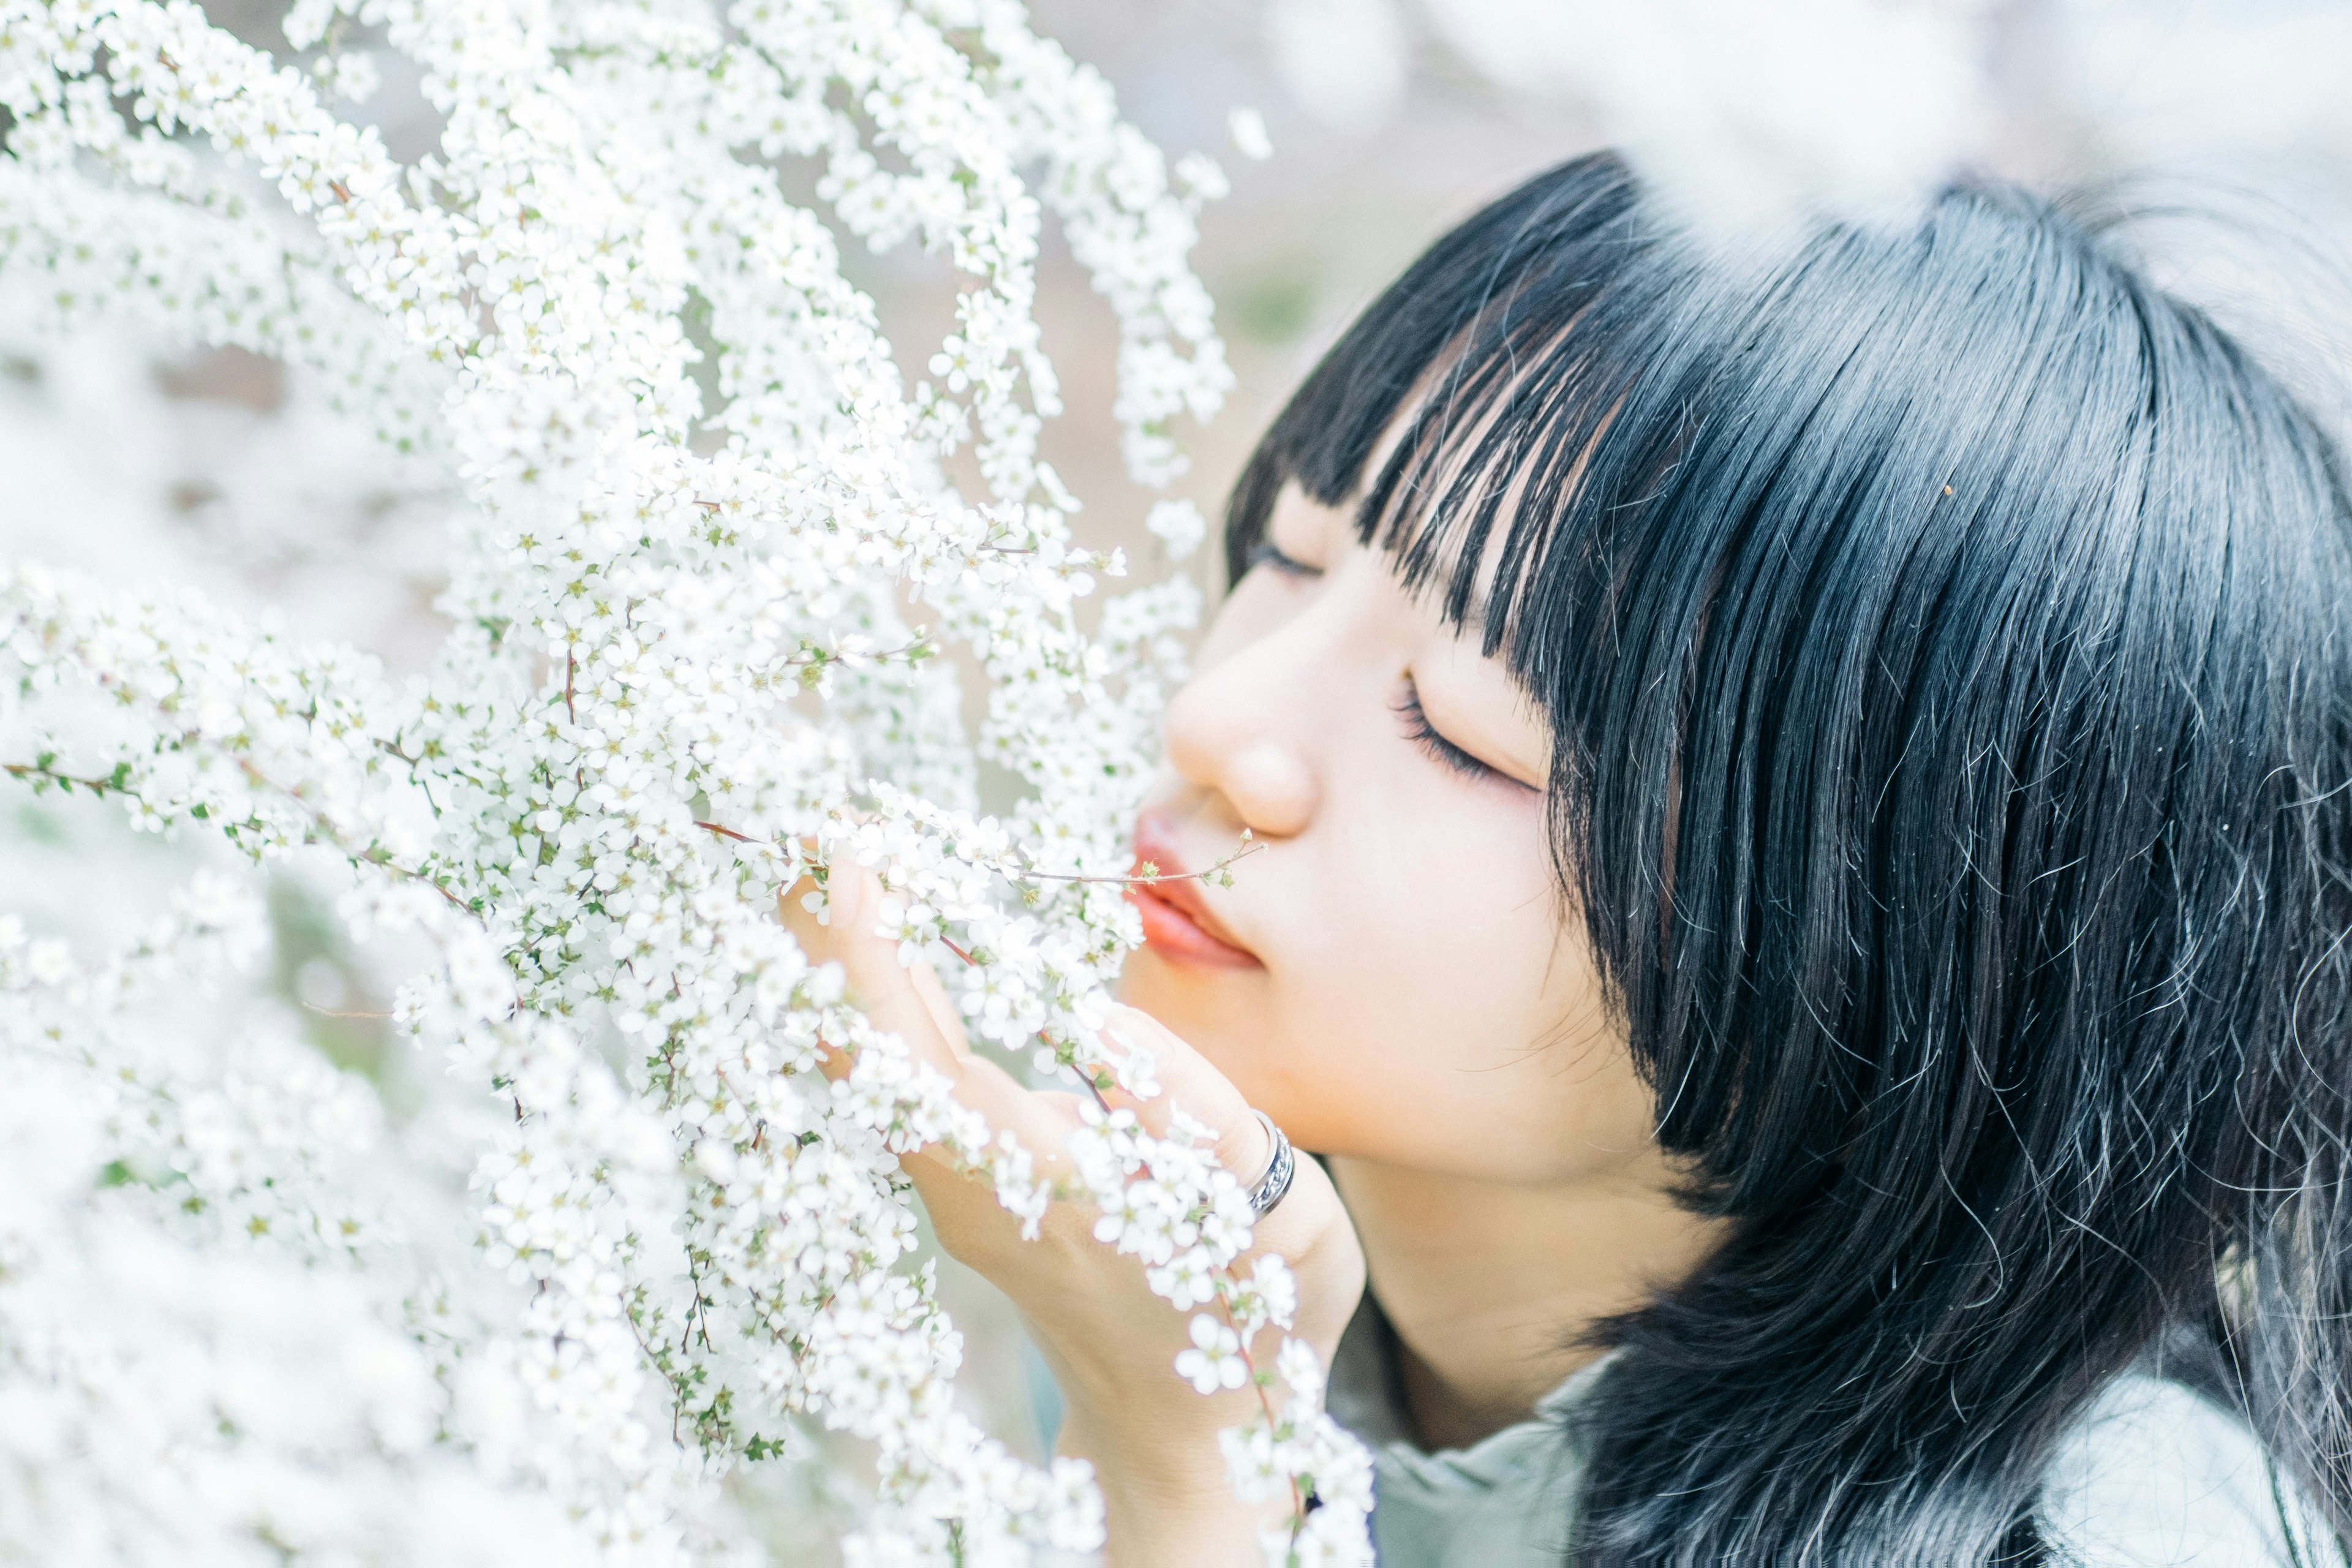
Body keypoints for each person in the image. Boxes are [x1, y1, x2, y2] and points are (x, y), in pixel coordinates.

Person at [785, 153, 2352, 1564]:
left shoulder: (2103, 1542)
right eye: (1289, 555)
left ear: (1886, 959)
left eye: (1463, 728)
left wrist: (1187, 1471)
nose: (1220, 716)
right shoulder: (1168, 1262)